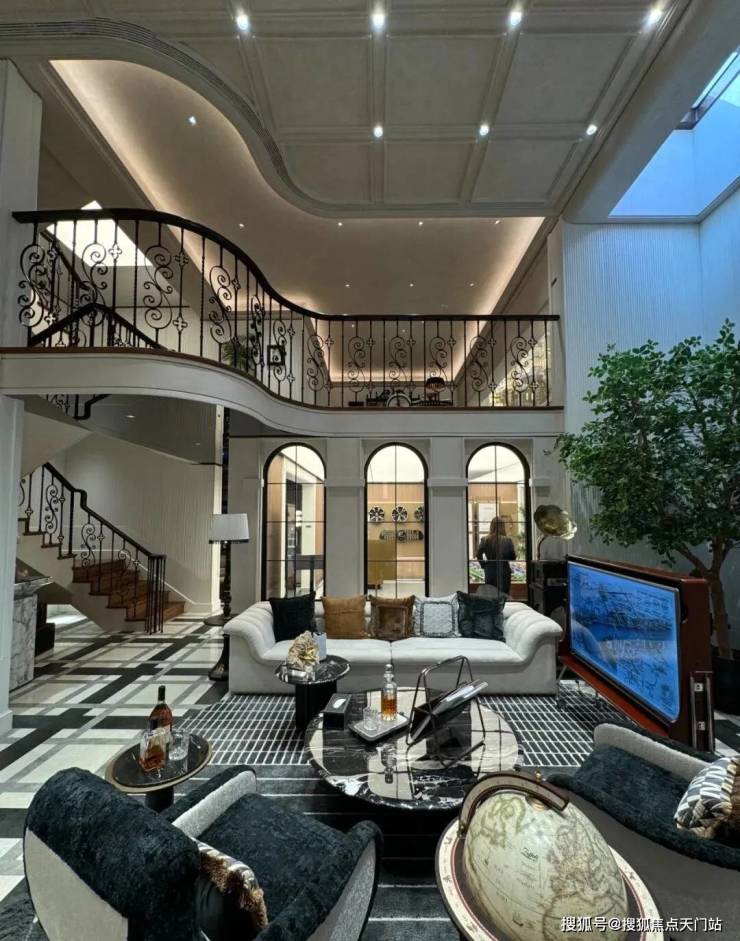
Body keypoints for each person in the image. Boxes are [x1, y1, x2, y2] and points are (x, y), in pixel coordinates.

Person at [476, 517, 516, 596]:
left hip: (490, 569)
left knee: (490, 594)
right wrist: (505, 556)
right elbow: (513, 557)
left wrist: (484, 565)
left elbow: (478, 554)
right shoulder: (508, 540)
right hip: (504, 569)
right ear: (503, 527)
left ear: (491, 526)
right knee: (504, 595)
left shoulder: (485, 539)